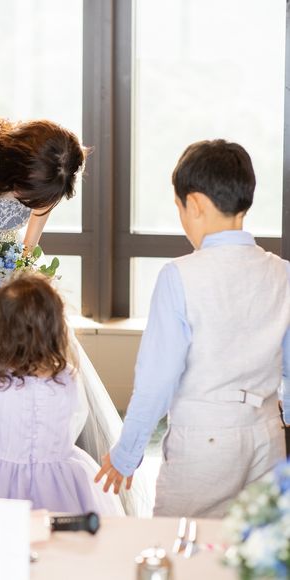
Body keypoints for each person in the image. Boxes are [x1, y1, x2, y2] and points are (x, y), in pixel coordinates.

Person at [0, 115, 152, 516]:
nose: (31, 202)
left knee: (32, 359)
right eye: (28, 192)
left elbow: (31, 231)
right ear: (15, 162)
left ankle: (35, 470)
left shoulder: (49, 180)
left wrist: (17, 268)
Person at [96, 139, 290, 518]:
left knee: (181, 542)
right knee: (254, 546)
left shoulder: (179, 276)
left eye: (179, 207)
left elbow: (157, 378)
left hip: (205, 440)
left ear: (195, 203)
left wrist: (127, 453)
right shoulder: (282, 272)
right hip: (267, 436)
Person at [0, 273, 124, 516]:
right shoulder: (68, 377)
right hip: (58, 478)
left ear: (0, 328)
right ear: (55, 327)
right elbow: (73, 423)